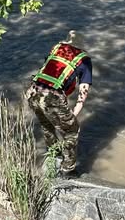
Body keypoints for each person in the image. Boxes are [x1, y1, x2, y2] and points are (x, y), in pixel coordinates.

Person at [25, 30, 92, 176]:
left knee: (47, 124)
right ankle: (68, 170)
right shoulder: (84, 60)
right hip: (51, 96)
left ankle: (53, 157)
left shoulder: (57, 48)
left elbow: (49, 73)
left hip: (33, 92)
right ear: (83, 45)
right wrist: (74, 114)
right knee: (72, 130)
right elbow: (83, 92)